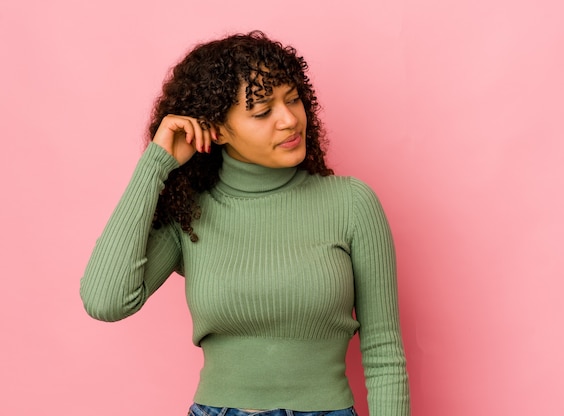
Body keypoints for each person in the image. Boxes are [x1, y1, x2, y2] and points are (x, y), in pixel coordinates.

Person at [80, 30, 409, 416]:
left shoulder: (351, 202)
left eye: (293, 99)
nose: (289, 119)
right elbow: (106, 300)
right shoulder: (191, 213)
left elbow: (384, 350)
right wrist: (155, 164)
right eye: (263, 111)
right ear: (217, 130)